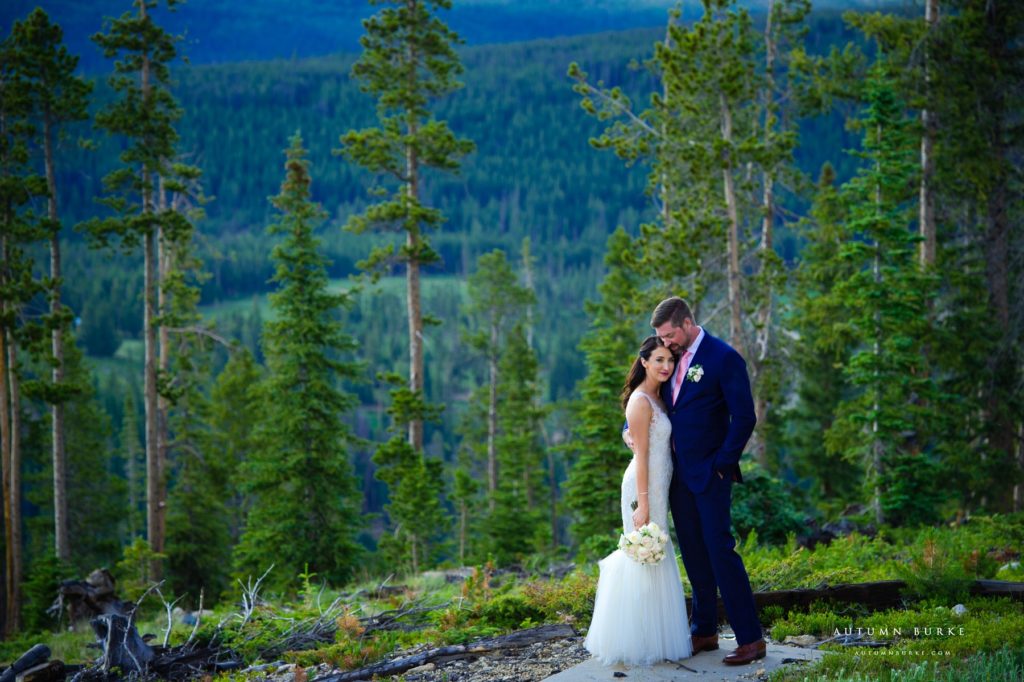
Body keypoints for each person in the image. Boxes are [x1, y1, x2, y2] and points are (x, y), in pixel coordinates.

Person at [625, 296, 765, 666]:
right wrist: (630, 426)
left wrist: (723, 463)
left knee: (720, 550)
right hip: (676, 477)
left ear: (687, 324)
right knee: (693, 553)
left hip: (711, 474)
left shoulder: (723, 358)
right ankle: (704, 630)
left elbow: (745, 417)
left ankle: (751, 638)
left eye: (670, 335)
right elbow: (649, 397)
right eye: (660, 338)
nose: (665, 344)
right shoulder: (669, 361)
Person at [584, 336, 693, 666]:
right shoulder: (640, 400)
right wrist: (643, 504)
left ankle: (653, 636)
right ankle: (634, 639)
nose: (666, 366)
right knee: (642, 555)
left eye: (669, 360)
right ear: (644, 361)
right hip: (642, 487)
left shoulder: (660, 397)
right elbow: (642, 457)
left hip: (660, 487)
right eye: (658, 360)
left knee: (655, 556)